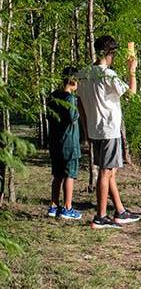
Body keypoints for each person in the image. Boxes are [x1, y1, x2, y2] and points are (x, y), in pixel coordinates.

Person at [77, 35, 140, 229]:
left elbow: (80, 104)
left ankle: (120, 211)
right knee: (106, 172)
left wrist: (86, 127)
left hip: (95, 128)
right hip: (109, 128)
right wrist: (132, 72)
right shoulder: (108, 75)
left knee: (110, 171)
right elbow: (131, 93)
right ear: (110, 53)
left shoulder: (83, 74)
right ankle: (100, 216)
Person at [46, 67, 82, 219]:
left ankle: (53, 206)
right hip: (69, 143)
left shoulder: (53, 96)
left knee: (57, 175)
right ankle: (67, 207)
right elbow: (73, 117)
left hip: (55, 141)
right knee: (69, 175)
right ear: (73, 81)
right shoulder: (70, 99)